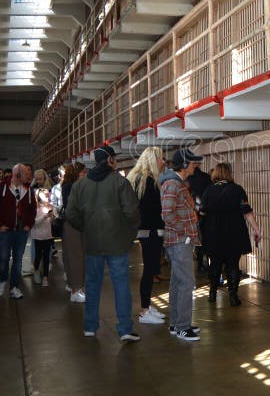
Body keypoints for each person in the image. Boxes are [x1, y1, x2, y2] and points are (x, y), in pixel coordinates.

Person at [66, 145, 141, 342]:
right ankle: (125, 329)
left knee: (92, 285)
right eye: (114, 158)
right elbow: (132, 213)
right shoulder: (120, 182)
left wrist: (86, 227)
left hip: (92, 244)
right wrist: (128, 235)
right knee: (121, 286)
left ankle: (90, 327)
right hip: (117, 244)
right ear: (109, 160)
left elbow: (70, 214)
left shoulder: (80, 185)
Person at [200, 163, 261, 306]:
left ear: (215, 173)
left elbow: (202, 212)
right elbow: (246, 212)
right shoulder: (237, 190)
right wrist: (256, 229)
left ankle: (212, 294)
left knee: (214, 264)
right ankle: (233, 297)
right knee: (233, 264)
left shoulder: (208, 191)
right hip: (234, 232)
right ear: (229, 173)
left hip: (213, 233)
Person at [159, 148, 202, 341]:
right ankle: (183, 327)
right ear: (184, 165)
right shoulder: (173, 185)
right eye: (193, 163)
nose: (196, 166)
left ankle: (176, 324)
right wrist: (185, 232)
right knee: (186, 283)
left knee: (178, 282)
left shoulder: (175, 183)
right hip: (179, 241)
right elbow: (167, 214)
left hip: (178, 241)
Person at [126, 147, 168, 324]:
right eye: (162, 159)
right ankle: (144, 310)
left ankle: (147, 306)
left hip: (143, 230)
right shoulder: (148, 181)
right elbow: (151, 210)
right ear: (153, 160)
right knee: (150, 269)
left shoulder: (136, 179)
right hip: (151, 231)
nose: (164, 162)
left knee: (150, 268)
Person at [0, 163, 37, 299]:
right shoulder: (0, 188)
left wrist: (29, 224)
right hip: (5, 231)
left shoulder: (28, 190)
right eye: (26, 174)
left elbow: (33, 209)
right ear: (18, 175)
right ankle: (2, 280)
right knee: (3, 258)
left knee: (18, 260)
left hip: (21, 232)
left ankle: (14, 287)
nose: (29, 176)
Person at [57, 164, 86, 302]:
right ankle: (76, 289)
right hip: (74, 224)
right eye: (82, 172)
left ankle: (72, 285)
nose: (84, 174)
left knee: (71, 256)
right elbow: (74, 207)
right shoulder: (72, 187)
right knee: (76, 257)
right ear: (76, 173)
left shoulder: (67, 186)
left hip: (70, 224)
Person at [186, 159, 212, 274]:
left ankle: (200, 264)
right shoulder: (206, 177)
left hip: (193, 213)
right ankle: (209, 263)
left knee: (198, 240)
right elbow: (210, 194)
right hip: (206, 212)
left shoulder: (186, 179)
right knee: (207, 238)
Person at [31, 188, 54, 286]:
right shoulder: (36, 208)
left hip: (48, 236)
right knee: (38, 256)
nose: (47, 196)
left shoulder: (52, 207)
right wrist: (45, 216)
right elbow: (34, 223)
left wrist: (53, 218)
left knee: (46, 257)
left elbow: (54, 222)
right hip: (38, 236)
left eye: (48, 195)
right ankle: (36, 270)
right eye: (45, 195)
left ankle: (45, 277)